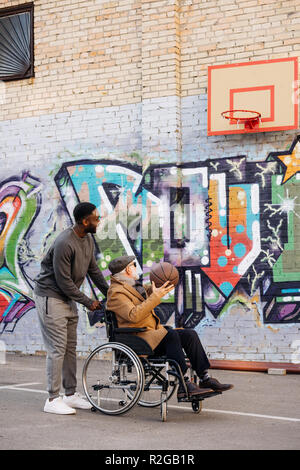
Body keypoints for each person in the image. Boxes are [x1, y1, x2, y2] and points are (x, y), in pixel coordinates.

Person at [106, 255, 233, 401]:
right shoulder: (116, 293)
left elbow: (146, 294)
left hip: (150, 335)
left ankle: (205, 377)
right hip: (137, 339)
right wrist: (155, 297)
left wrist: (158, 288)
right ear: (128, 269)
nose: (136, 268)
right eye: (134, 265)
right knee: (170, 335)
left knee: (189, 334)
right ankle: (184, 384)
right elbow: (133, 315)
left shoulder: (133, 286)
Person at [33, 202, 109, 415]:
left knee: (69, 348)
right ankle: (52, 398)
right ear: (85, 221)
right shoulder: (65, 242)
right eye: (96, 217)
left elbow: (93, 270)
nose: (99, 220)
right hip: (51, 296)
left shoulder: (87, 239)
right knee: (57, 348)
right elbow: (63, 281)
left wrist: (109, 292)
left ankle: (70, 394)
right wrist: (88, 301)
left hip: (68, 298)